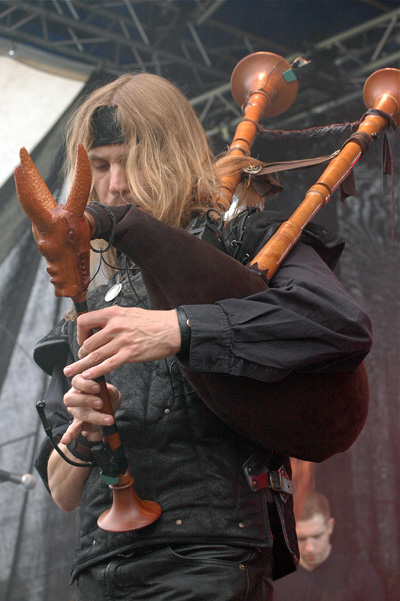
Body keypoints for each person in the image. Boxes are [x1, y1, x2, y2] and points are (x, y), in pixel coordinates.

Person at [31, 72, 372, 601]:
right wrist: (84, 431)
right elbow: (62, 492)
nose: (115, 185)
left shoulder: (242, 245)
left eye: (130, 161)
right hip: (100, 572)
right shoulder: (89, 305)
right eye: (99, 166)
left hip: (209, 561)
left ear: (171, 157)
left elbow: (338, 325)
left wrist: (179, 328)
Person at [273, 491, 386, 601]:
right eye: (301, 538)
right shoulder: (277, 577)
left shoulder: (360, 574)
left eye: (317, 536)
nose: (310, 548)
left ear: (330, 526)